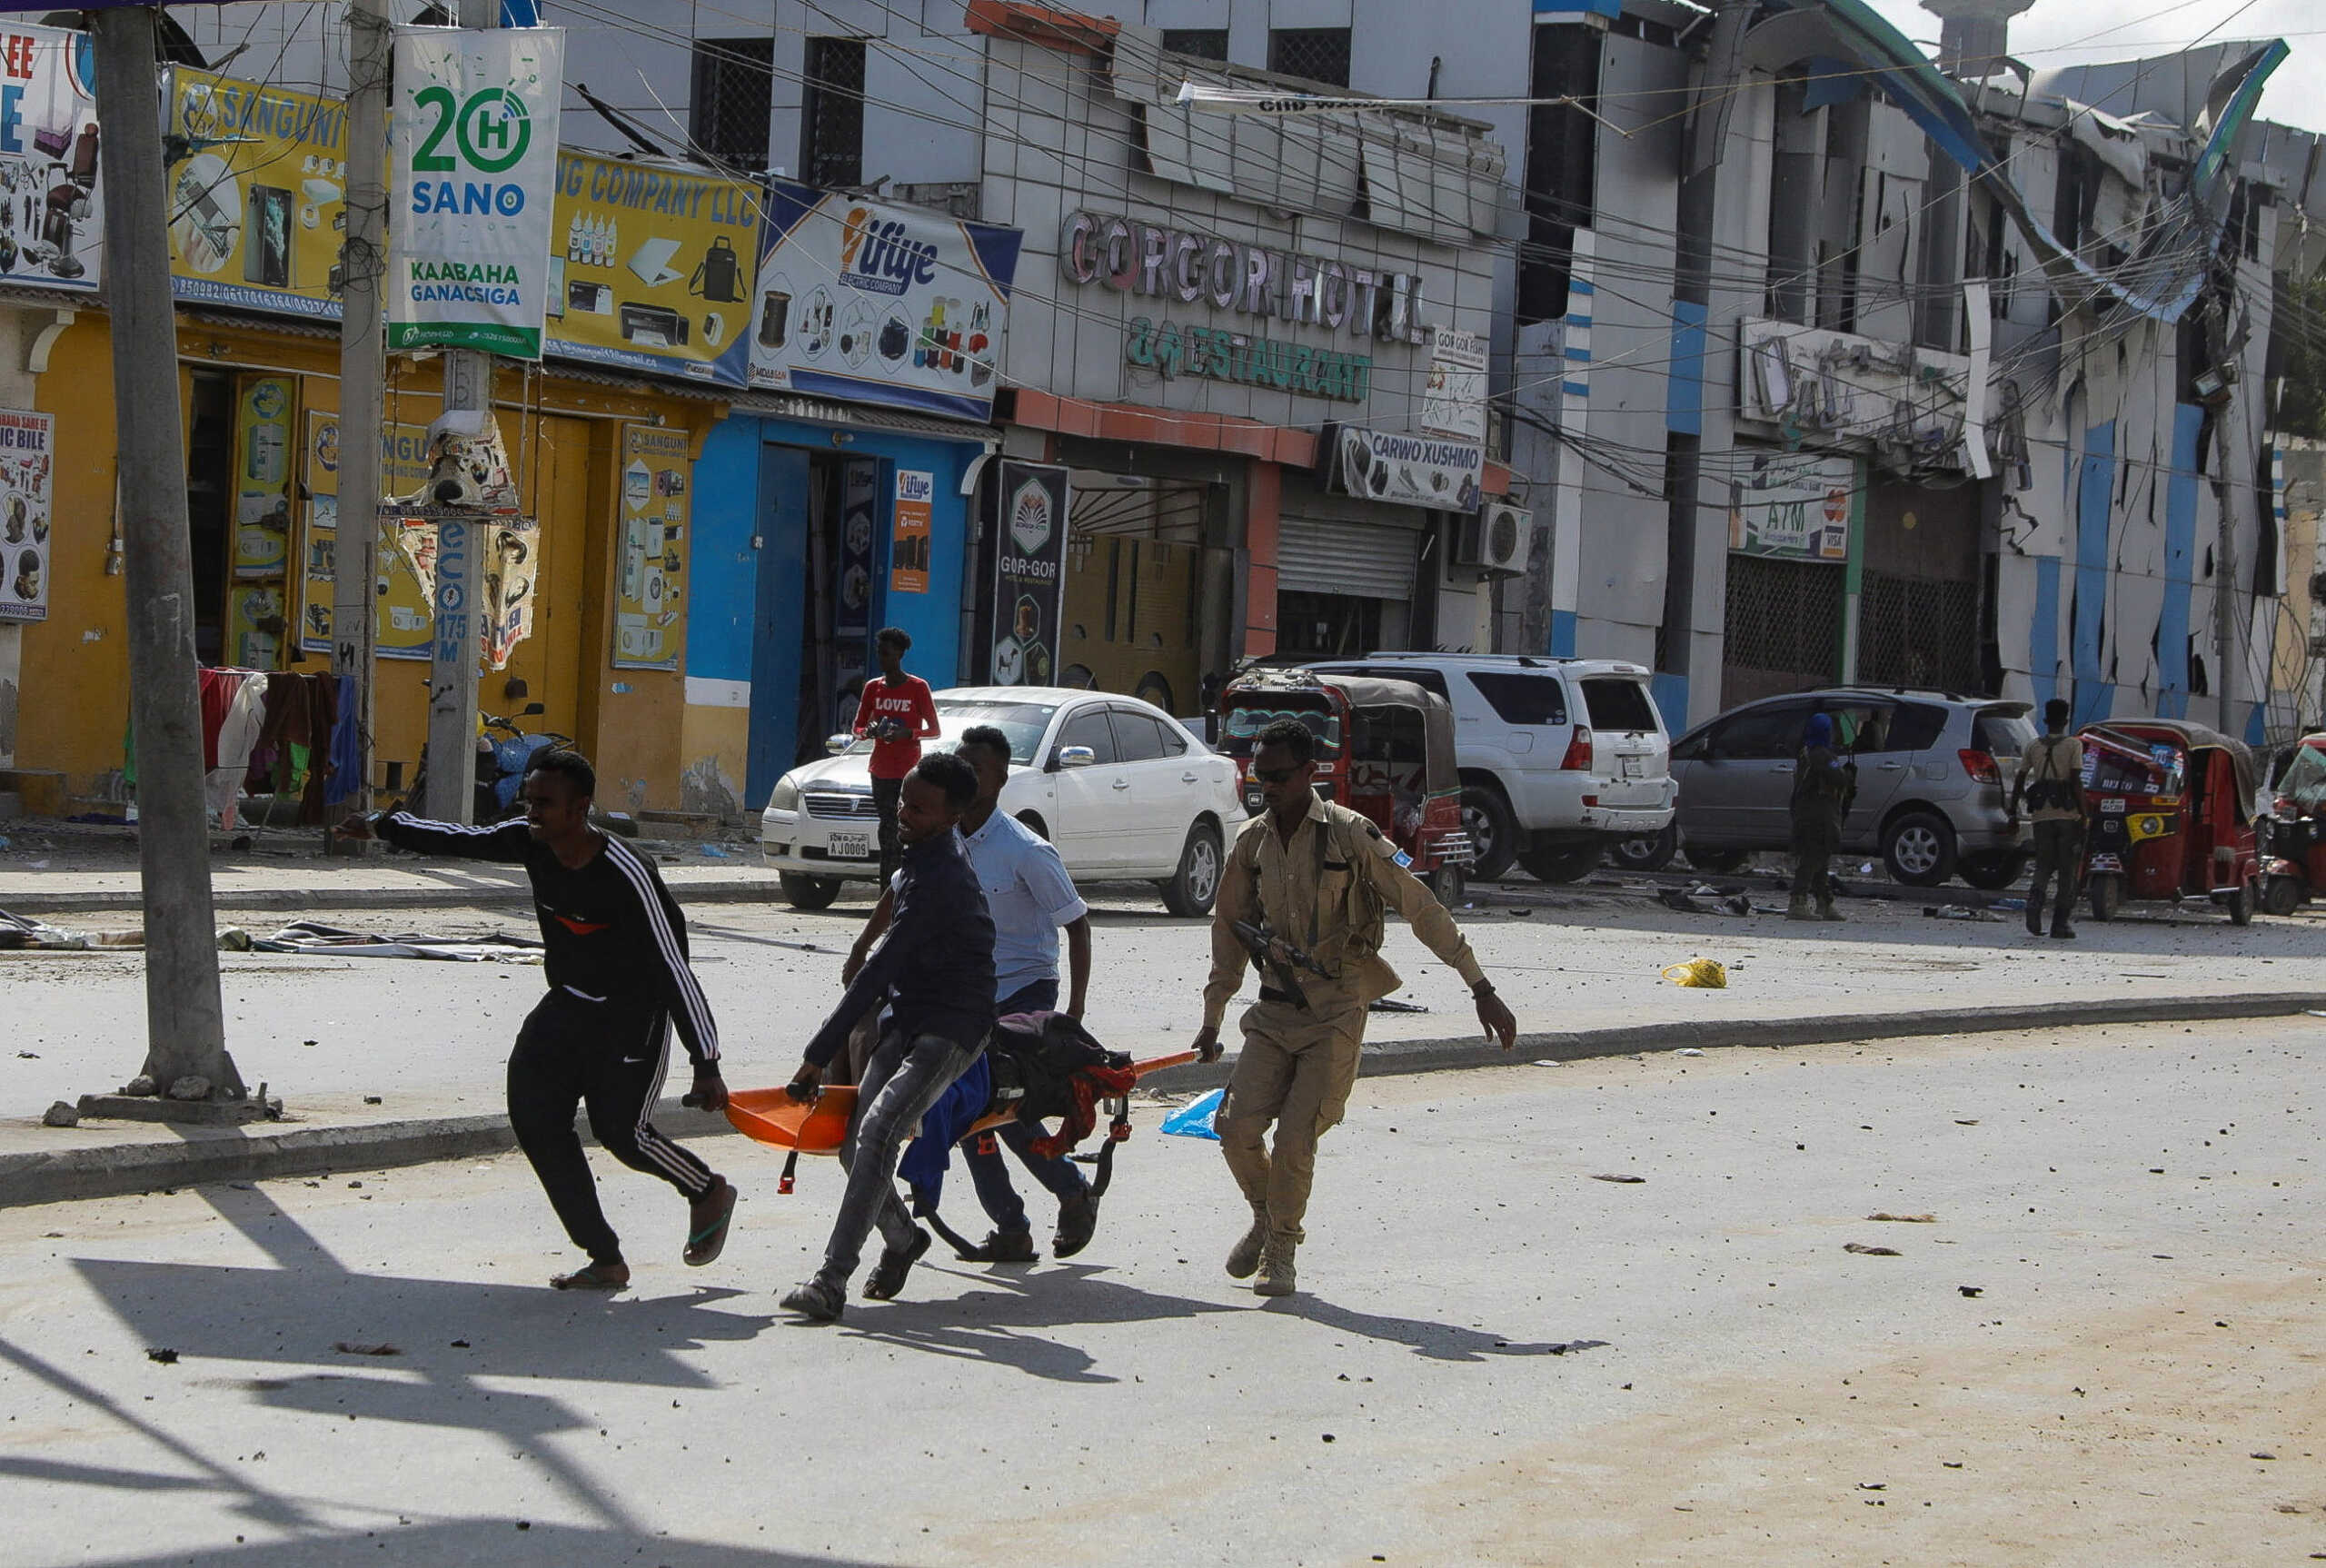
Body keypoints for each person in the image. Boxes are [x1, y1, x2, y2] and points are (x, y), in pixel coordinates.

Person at [336, 750, 736, 1291]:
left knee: (622, 1134)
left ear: (581, 808)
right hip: (568, 1005)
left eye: (545, 803)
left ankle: (705, 1189)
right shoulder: (530, 842)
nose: (533, 812)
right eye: (530, 800)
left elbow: (673, 967)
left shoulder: (627, 872)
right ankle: (605, 1257)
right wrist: (386, 826)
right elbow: (460, 838)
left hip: (631, 1017)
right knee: (535, 1120)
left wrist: (705, 1061)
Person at [1189, 719, 1518, 1298]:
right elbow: (1228, 933)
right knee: (1235, 1127)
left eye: (1280, 776)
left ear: (1309, 773)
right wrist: (1213, 1018)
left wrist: (1480, 985)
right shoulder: (1253, 844)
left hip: (1335, 1009)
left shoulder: (1349, 835)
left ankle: (1282, 1250)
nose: (1267, 788)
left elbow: (1422, 907)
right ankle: (1267, 1219)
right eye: (1259, 776)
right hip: (1272, 1010)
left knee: (1296, 1138)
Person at [846, 724, 1098, 1262]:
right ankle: (1012, 1224)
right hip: (963, 996)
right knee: (961, 1108)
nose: (965, 774)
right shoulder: (940, 834)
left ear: (1001, 779)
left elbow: (1076, 922)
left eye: (978, 768)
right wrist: (861, 947)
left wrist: (1071, 1011)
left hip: (1023, 992)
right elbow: (897, 896)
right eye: (961, 762)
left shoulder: (1026, 850)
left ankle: (1069, 1191)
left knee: (996, 1105)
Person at [781, 752, 995, 1323]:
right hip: (907, 1017)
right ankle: (903, 1239)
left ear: (952, 816)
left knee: (878, 1130)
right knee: (855, 1143)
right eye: (903, 799)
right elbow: (889, 916)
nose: (903, 812)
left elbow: (881, 966)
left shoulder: (944, 876)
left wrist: (815, 1055)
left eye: (919, 809)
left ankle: (830, 1280)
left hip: (953, 1026)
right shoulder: (920, 857)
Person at [853, 627, 942, 885]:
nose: (883, 660)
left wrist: (907, 733)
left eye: (888, 654)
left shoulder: (917, 687)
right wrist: (868, 731)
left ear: (900, 655)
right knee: (887, 830)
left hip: (908, 773)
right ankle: (887, 890)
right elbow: (857, 728)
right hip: (880, 770)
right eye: (880, 654)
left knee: (904, 830)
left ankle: (909, 883)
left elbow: (934, 730)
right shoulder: (872, 688)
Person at [2011, 698, 2087, 939]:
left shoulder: (2033, 746)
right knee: (2067, 869)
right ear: (2066, 720)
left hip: (2041, 814)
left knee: (2043, 865)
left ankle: (2034, 904)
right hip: (2067, 814)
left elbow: (2020, 779)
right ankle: (2059, 924)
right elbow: (2075, 781)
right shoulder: (2074, 745)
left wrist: (2013, 811)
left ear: (2045, 720)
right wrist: (2085, 814)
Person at [1787, 711, 1854, 922]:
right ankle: (1797, 901)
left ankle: (1825, 902)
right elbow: (1839, 779)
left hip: (1806, 813)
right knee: (1813, 858)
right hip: (1820, 815)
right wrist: (1849, 775)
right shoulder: (1823, 756)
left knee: (1820, 861)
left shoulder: (1805, 754)